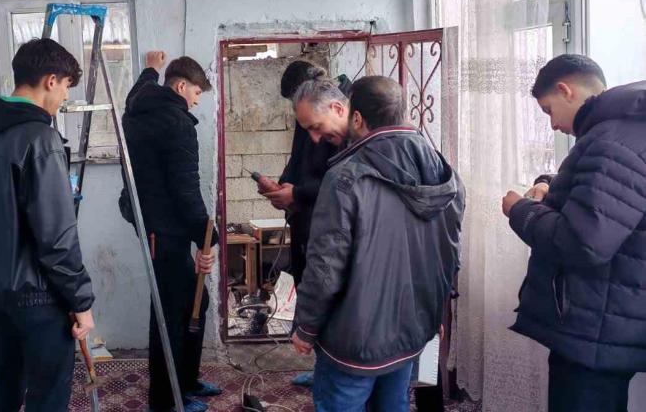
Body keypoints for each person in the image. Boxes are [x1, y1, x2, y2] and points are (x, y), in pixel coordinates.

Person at [292, 76, 465, 412]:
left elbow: (326, 267)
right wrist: (434, 309)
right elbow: (449, 253)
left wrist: (306, 326)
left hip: (354, 339)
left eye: (314, 128)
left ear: (356, 117)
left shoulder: (345, 178)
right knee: (394, 404)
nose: (314, 139)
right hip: (411, 330)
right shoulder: (445, 173)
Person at [0, 38, 95, 412]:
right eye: (65, 86)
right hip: (38, 294)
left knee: (5, 381)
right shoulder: (40, 139)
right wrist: (81, 300)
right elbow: (57, 236)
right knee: (47, 393)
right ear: (50, 80)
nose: (64, 97)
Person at [501, 54, 646, 412]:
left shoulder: (611, 140)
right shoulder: (623, 131)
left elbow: (584, 242)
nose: (552, 125)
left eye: (549, 110)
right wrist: (550, 186)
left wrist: (520, 211)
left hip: (595, 328)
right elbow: (609, 201)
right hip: (610, 320)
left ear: (566, 90)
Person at [122, 51, 220, 412]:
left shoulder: (140, 107)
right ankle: (165, 402)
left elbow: (137, 91)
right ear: (180, 87)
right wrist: (208, 239)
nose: (196, 101)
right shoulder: (177, 123)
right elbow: (186, 190)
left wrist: (150, 67)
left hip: (157, 227)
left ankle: (187, 381)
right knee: (169, 315)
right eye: (196, 92)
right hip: (165, 231)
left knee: (196, 301)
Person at [261, 61, 347, 387]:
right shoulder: (307, 120)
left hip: (322, 222)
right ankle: (322, 366)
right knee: (308, 287)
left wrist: (297, 193)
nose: (313, 134)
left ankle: (331, 370)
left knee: (327, 297)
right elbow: (297, 161)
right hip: (302, 219)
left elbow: (336, 181)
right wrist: (281, 187)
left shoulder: (342, 128)